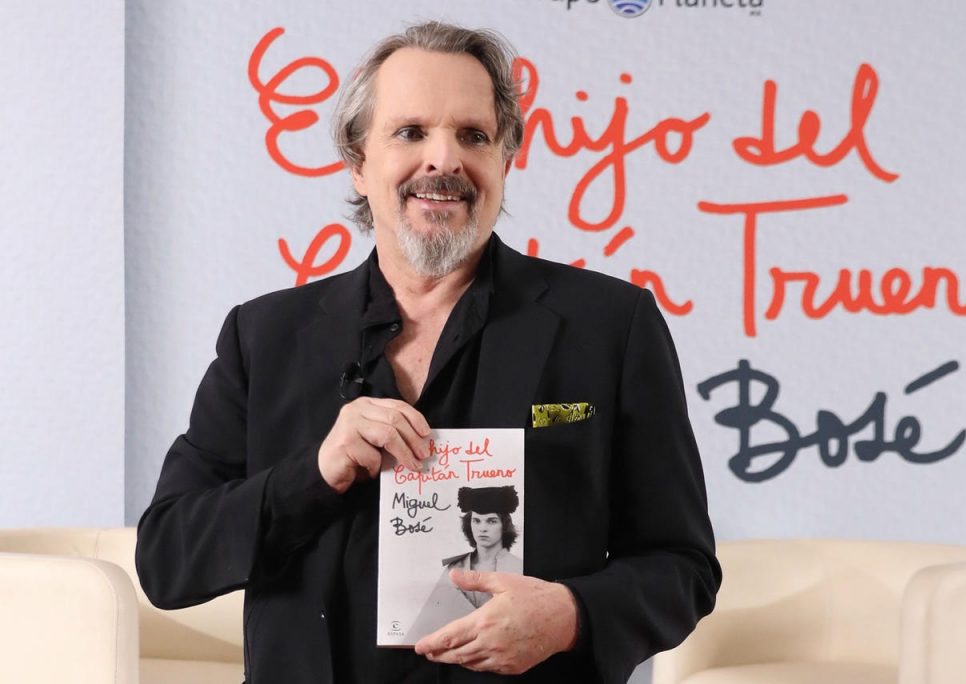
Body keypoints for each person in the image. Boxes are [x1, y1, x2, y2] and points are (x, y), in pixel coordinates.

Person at [136, 20, 721, 684]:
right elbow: (167, 559)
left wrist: (569, 615)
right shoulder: (263, 336)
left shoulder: (611, 325)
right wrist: (313, 474)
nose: (443, 160)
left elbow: (683, 568)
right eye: (410, 132)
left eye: (473, 136)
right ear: (358, 164)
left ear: (505, 160)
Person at [406, 486, 524, 642]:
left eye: (491, 521)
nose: (482, 528)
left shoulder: (519, 568)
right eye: (476, 521)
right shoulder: (454, 568)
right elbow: (427, 626)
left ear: (504, 525)